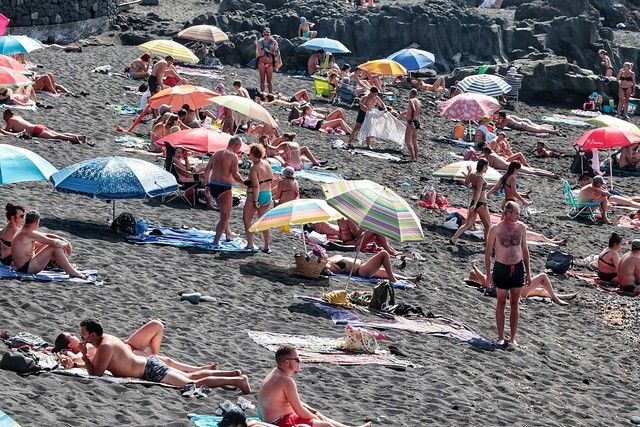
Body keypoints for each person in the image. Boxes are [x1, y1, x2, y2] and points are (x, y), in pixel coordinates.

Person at [75, 318, 251, 393]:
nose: (81, 335)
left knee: (192, 383)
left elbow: (96, 374)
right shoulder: (106, 340)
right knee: (191, 376)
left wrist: (84, 356)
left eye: (83, 333)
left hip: (150, 370)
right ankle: (231, 374)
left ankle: (237, 381)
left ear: (92, 335)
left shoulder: (105, 346)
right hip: (148, 365)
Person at [53, 320, 226, 376]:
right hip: (127, 355)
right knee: (166, 362)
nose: (78, 335)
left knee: (156, 325)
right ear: (70, 344)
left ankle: (154, 358)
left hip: (125, 345)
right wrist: (73, 360)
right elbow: (76, 362)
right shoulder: (75, 351)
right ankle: (200, 370)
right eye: (73, 336)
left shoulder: (89, 341)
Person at [258, 345, 372, 427]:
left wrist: (314, 414)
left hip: (274, 417)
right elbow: (299, 411)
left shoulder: (274, 373)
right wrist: (316, 419)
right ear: (287, 362)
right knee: (325, 425)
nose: (300, 362)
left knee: (315, 412)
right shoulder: (286, 381)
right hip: (279, 422)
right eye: (297, 359)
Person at [484, 201, 530, 347]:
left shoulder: (521, 227)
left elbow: (525, 250)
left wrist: (528, 272)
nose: (518, 215)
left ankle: (513, 337)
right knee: (501, 302)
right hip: (501, 267)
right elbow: (487, 253)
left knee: (515, 303)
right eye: (516, 212)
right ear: (507, 213)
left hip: (517, 267)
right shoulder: (495, 229)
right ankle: (501, 336)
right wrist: (488, 274)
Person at [11, 210, 85, 278]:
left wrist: (64, 240)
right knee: (54, 248)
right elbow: (55, 243)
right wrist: (65, 244)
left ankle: (64, 266)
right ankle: (71, 272)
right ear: (37, 222)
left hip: (23, 266)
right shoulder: (29, 233)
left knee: (49, 244)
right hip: (27, 268)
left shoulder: (23, 230)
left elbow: (46, 236)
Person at [202, 137, 246, 246]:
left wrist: (207, 185)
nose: (238, 150)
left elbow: (207, 169)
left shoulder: (216, 153)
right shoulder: (233, 156)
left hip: (213, 186)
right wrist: (245, 183)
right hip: (224, 187)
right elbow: (235, 174)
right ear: (236, 145)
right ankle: (216, 241)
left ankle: (228, 234)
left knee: (224, 213)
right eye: (238, 148)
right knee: (225, 216)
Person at [468, 263, 577, 305]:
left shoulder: (488, 280)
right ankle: (556, 299)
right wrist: (474, 267)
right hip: (517, 291)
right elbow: (482, 277)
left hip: (515, 289)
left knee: (540, 291)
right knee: (543, 277)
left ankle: (562, 296)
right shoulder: (486, 281)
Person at [450, 160, 492, 245]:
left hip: (474, 202)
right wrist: (476, 204)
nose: (487, 168)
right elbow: (478, 192)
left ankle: (454, 238)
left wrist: (469, 172)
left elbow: (466, 183)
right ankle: (486, 244)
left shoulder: (473, 174)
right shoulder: (480, 177)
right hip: (480, 203)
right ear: (483, 166)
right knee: (487, 225)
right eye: (487, 166)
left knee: (468, 224)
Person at [243, 143, 273, 253]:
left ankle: (250, 244)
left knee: (247, 219)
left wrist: (255, 200)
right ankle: (266, 246)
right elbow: (270, 179)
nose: (248, 156)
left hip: (257, 194)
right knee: (263, 221)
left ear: (254, 155)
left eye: (249, 154)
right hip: (267, 194)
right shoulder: (267, 163)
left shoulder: (253, 168)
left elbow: (256, 186)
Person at [3, 109, 90, 145]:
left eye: (4, 118)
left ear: (7, 116)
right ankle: (80, 136)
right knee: (58, 133)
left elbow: (7, 131)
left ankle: (73, 139)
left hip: (36, 131)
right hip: (38, 126)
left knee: (54, 137)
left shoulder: (10, 120)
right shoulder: (17, 117)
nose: (4, 120)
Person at [327, 251, 421, 283]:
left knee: (386, 273)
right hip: (361, 271)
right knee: (384, 254)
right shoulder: (329, 265)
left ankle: (409, 279)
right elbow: (332, 270)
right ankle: (393, 279)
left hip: (363, 266)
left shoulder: (332, 258)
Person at [482, 147, 557, 178]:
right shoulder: (494, 154)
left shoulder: (491, 156)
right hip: (510, 165)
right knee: (533, 170)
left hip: (510, 166)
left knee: (532, 172)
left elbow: (490, 166)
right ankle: (550, 173)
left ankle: (551, 175)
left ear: (486, 152)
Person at [494, 111, 564, 136]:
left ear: (501, 116)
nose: (498, 117)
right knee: (538, 126)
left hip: (523, 126)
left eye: (499, 116)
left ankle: (554, 131)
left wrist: (497, 123)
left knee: (539, 130)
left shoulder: (506, 119)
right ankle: (551, 127)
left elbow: (501, 127)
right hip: (523, 122)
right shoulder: (507, 117)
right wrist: (499, 122)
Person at [399, 88, 422, 161]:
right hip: (417, 121)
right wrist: (406, 113)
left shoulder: (411, 100)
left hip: (411, 122)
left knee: (407, 140)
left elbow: (413, 110)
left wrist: (411, 120)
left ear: (411, 93)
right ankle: (416, 157)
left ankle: (412, 156)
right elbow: (418, 112)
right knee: (414, 140)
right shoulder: (419, 102)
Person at [256, 28, 279, 93]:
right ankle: (262, 94)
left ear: (270, 34)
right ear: (263, 34)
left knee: (269, 80)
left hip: (270, 63)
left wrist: (269, 51)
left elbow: (276, 53)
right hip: (261, 62)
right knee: (262, 80)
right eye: (264, 34)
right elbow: (257, 53)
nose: (266, 36)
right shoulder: (259, 42)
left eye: (267, 34)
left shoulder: (274, 42)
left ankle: (270, 94)